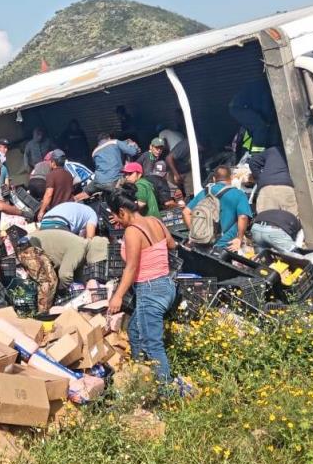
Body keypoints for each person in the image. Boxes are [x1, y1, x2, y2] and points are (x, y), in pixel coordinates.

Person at [106, 191, 184, 394]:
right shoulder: (154, 221)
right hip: (167, 285)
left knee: (153, 345)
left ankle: (166, 394)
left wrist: (118, 295)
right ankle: (141, 376)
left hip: (150, 289)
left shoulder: (132, 231)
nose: (116, 222)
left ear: (122, 211)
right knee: (134, 330)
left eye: (115, 216)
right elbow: (171, 244)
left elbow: (131, 268)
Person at [182, 166, 253, 251]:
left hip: (201, 242)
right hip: (224, 244)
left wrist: (195, 232)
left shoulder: (205, 192)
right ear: (231, 178)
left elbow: (185, 212)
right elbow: (243, 217)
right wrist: (239, 238)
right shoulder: (239, 194)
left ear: (214, 179)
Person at [32, 229, 109, 284]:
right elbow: (65, 275)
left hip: (35, 247)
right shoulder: (79, 248)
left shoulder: (82, 247)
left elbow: (78, 274)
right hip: (29, 247)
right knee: (49, 284)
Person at [247, 145, 297, 215]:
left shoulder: (273, 150)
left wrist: (260, 178)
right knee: (291, 220)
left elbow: (253, 162)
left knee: (266, 221)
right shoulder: (296, 151)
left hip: (266, 187)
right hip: (286, 187)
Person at [37, 150, 75, 220]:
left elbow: (49, 194)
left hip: (59, 212)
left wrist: (41, 211)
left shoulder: (51, 175)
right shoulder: (69, 174)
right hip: (70, 208)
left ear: (53, 162)